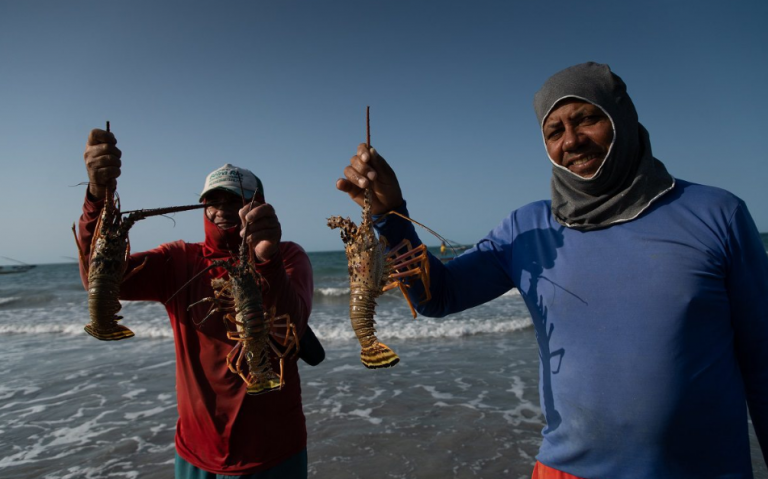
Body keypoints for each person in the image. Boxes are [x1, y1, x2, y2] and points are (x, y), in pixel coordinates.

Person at [337, 62, 768, 478]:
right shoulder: (527, 229)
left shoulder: (716, 214)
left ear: (622, 118)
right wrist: (390, 214)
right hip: (566, 471)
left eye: (587, 119)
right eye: (554, 131)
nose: (572, 140)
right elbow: (438, 297)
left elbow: (762, 356)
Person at [78, 130, 323, 478]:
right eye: (213, 200)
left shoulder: (287, 257)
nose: (223, 209)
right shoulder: (179, 260)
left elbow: (293, 328)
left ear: (259, 204)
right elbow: (99, 279)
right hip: (198, 448)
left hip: (275, 447)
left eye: (236, 199)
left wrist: (266, 258)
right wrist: (97, 198)